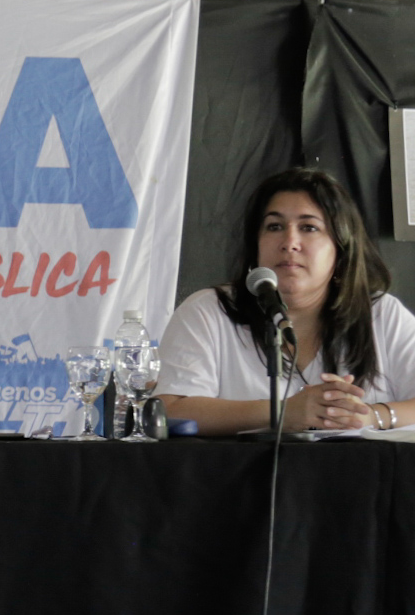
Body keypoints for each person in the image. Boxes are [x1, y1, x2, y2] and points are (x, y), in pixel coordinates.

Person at [157, 167, 415, 433]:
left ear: (340, 248)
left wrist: (371, 416)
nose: (290, 242)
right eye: (275, 227)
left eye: (309, 228)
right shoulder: (209, 310)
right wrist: (281, 412)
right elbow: (168, 411)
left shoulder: (382, 314)